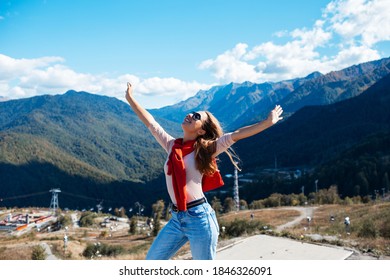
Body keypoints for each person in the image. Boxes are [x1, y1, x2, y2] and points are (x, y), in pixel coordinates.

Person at [125, 82, 283, 260]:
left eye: (196, 116)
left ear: (201, 130)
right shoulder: (171, 146)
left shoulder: (205, 149)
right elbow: (151, 123)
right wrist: (130, 98)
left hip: (200, 219)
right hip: (177, 218)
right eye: (192, 112)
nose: (191, 115)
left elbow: (237, 134)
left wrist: (267, 123)